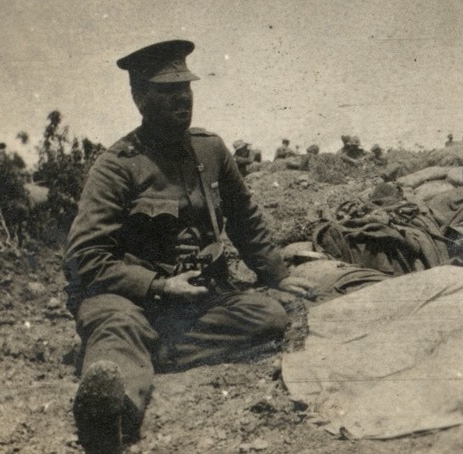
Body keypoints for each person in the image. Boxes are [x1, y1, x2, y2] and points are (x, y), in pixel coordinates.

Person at [64, 40, 313, 453]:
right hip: (128, 296)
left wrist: (278, 276)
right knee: (118, 325)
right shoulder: (117, 166)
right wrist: (159, 287)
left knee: (268, 315)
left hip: (196, 298)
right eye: (167, 91)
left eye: (186, 89)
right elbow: (84, 260)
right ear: (139, 98)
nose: (182, 99)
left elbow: (245, 219)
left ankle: (150, 350)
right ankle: (115, 410)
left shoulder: (211, 149)